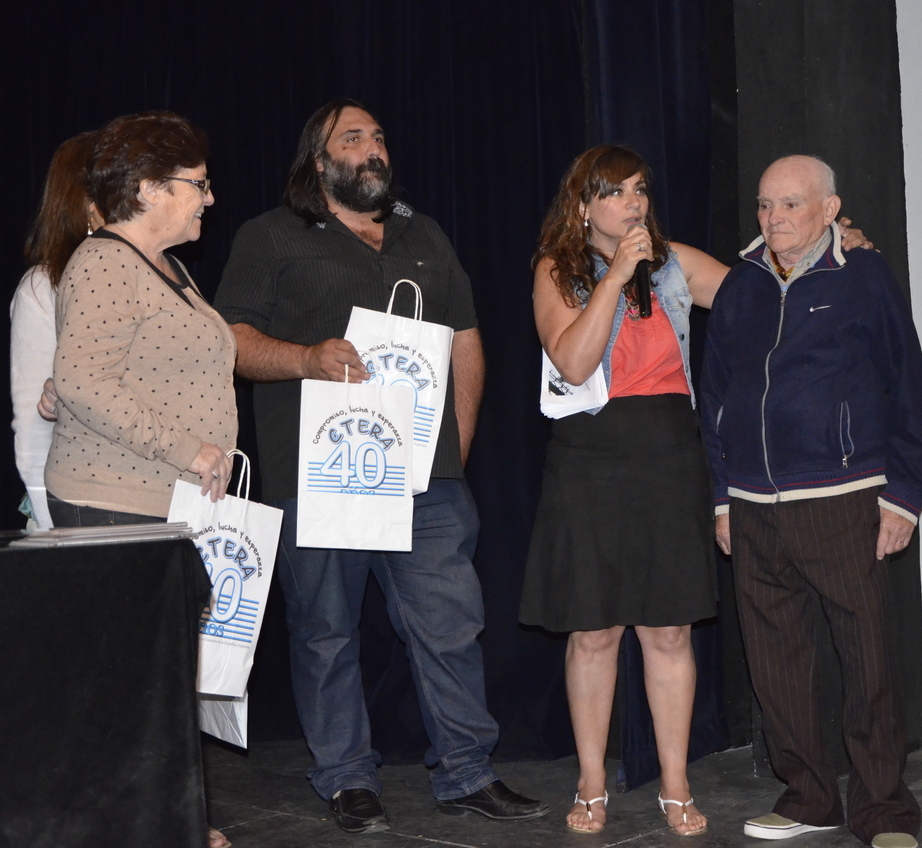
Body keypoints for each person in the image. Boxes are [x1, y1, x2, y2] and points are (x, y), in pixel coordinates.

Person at [214, 98, 546, 834]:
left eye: (380, 138)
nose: (373, 149)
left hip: (424, 481)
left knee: (450, 622)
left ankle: (467, 771)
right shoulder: (270, 236)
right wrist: (305, 358)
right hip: (318, 475)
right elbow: (230, 340)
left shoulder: (423, 234)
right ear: (318, 160)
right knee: (325, 630)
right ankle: (346, 777)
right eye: (354, 138)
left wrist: (454, 450)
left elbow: (465, 340)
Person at [519, 145, 871, 837]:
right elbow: (573, 361)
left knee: (669, 629)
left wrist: (832, 244)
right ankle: (591, 782)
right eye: (616, 192)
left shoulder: (674, 261)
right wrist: (616, 277)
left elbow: (766, 288)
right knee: (593, 632)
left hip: (669, 456)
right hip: (589, 460)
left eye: (640, 190)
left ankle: (675, 784)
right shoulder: (557, 270)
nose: (634, 204)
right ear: (583, 206)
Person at [701, 155, 922, 848]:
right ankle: (808, 798)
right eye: (764, 204)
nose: (773, 218)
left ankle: (884, 811)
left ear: (830, 210)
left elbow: (906, 383)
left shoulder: (864, 275)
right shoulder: (741, 283)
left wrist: (905, 495)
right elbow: (714, 397)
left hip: (844, 499)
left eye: (791, 204)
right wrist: (722, 498)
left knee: (868, 661)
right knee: (775, 666)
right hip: (752, 506)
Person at [43, 111, 235, 848]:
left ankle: (167, 817)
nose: (209, 198)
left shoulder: (166, 267)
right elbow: (84, 380)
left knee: (159, 679)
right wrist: (189, 448)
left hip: (164, 504)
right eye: (198, 184)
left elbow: (101, 374)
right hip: (112, 502)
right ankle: (136, 825)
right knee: (124, 683)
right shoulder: (104, 262)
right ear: (150, 188)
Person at [10, 131, 103, 530]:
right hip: (70, 515)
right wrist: (54, 531)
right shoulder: (43, 287)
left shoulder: (152, 277)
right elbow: (31, 425)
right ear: (88, 203)